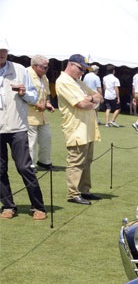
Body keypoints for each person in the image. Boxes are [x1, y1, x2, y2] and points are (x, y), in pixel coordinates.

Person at [0, 39, 46, 220]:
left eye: (4, 50)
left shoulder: (20, 70)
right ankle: (8, 206)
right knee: (0, 170)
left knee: (24, 167)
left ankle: (38, 206)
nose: (1, 53)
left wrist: (24, 93)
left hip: (17, 127)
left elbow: (34, 96)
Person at [55, 52, 103, 206]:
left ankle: (84, 190)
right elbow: (82, 104)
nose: (82, 72)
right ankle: (73, 193)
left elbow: (98, 96)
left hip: (87, 128)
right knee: (76, 162)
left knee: (86, 161)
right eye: (81, 69)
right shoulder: (64, 81)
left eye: (84, 70)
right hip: (76, 128)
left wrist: (89, 99)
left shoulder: (78, 82)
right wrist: (90, 100)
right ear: (70, 64)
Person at [27, 54, 55, 171]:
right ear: (34, 66)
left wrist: (48, 103)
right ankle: (30, 165)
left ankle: (44, 161)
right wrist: (36, 104)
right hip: (29, 114)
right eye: (44, 67)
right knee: (31, 141)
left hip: (42, 115)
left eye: (47, 67)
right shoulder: (25, 74)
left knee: (46, 138)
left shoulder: (44, 77)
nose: (46, 69)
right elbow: (23, 94)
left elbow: (46, 93)